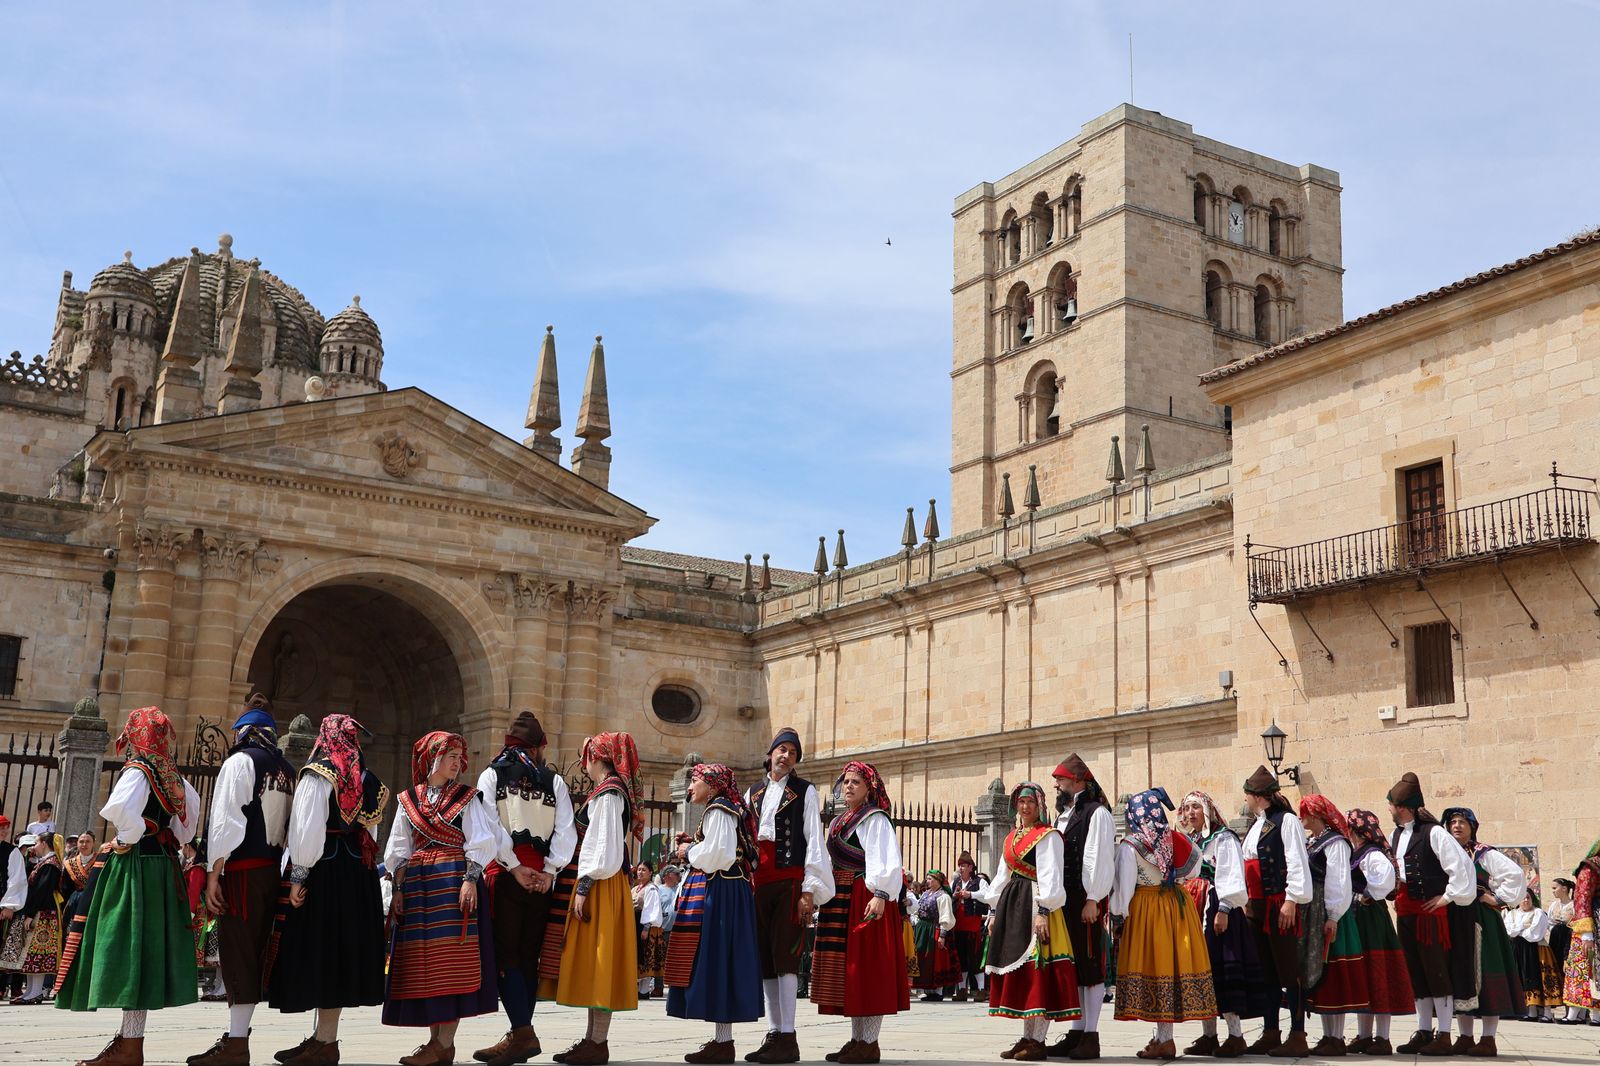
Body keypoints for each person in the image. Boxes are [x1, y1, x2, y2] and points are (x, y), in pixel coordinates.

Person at [56, 706, 203, 1066]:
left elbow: (121, 811)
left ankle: (129, 1045)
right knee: (146, 953)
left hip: (135, 867)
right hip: (164, 868)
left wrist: (126, 838)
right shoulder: (176, 779)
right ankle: (129, 1041)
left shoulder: (138, 771)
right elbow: (187, 830)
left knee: (127, 947)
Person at [266, 713, 391, 1066]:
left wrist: (299, 877)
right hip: (358, 876)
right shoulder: (369, 780)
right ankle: (323, 1039)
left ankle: (325, 1043)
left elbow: (306, 829)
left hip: (324, 872)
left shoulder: (318, 774)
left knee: (321, 952)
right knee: (338, 955)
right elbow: (371, 836)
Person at [188, 696, 295, 1066]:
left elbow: (226, 819)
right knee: (254, 953)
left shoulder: (240, 762)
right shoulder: (287, 768)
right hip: (271, 870)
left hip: (242, 871)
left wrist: (215, 874)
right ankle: (237, 1038)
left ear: (244, 732)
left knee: (238, 952)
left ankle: (236, 1044)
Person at [383, 731, 500, 1066]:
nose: (457, 762)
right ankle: (436, 1044)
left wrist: (469, 880)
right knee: (425, 965)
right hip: (419, 889)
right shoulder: (409, 800)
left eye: (459, 756)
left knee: (452, 960)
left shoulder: (467, 797)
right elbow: (399, 848)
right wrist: (398, 890)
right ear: (431, 758)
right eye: (450, 755)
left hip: (453, 883)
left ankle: (443, 1043)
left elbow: (481, 840)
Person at [472, 710, 575, 1066]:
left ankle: (522, 1032)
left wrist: (514, 867)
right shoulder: (554, 780)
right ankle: (521, 1033)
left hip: (508, 877)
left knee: (506, 955)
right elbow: (566, 831)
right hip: (540, 881)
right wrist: (548, 870)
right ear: (537, 748)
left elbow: (488, 826)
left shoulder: (491, 775)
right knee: (528, 956)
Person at [552, 732, 644, 1066]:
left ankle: (598, 1041)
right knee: (595, 960)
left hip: (602, 883)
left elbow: (604, 847)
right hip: (606, 882)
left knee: (601, 960)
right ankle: (592, 1040)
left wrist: (584, 885)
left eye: (585, 756)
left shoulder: (609, 794)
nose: (582, 763)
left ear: (598, 757)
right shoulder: (609, 792)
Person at [743, 726, 832, 1064]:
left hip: (790, 882)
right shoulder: (752, 792)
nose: (786, 756)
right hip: (759, 884)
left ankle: (789, 1035)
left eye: (793, 753)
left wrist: (809, 890)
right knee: (766, 959)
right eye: (782, 750)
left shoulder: (805, 791)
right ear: (770, 753)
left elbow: (813, 841)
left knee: (786, 956)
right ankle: (773, 1032)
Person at [664, 762, 764, 1064]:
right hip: (726, 889)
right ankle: (723, 1040)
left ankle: (723, 1042)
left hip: (720, 893)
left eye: (696, 780)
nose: (691, 786)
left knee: (719, 958)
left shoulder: (719, 809)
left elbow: (717, 855)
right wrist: (695, 844)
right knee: (722, 961)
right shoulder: (724, 808)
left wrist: (687, 852)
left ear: (714, 784)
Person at [810, 761, 908, 1065]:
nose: (848, 786)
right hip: (841, 898)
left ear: (869, 789)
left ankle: (870, 1041)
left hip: (864, 896)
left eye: (855, 782)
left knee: (867, 968)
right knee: (850, 973)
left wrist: (880, 894)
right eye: (846, 782)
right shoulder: (840, 820)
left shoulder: (874, 818)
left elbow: (886, 859)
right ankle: (857, 1040)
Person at [1109, 787, 1216, 1060]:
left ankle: (1164, 1040)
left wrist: (1119, 915)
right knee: (1172, 967)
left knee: (1156, 969)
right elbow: (1194, 869)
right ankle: (1163, 1038)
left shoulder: (1131, 845)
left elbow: (1123, 889)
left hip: (1147, 910)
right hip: (1179, 909)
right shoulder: (1177, 840)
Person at [975, 782, 1079, 1062]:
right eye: (1020, 801)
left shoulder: (1048, 836)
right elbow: (1000, 877)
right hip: (1014, 907)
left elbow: (1051, 876)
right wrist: (994, 913)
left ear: (1040, 805)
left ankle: (1039, 1040)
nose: (1025, 806)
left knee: (1039, 973)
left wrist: (1043, 912)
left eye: (1030, 801)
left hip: (1037, 906)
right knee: (1024, 975)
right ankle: (1027, 1037)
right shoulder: (1011, 838)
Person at [1175, 790, 1273, 1058]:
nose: (1191, 812)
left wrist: (1225, 909)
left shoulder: (1223, 838)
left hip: (1218, 907)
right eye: (1187, 808)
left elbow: (1231, 875)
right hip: (1197, 909)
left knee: (1223, 971)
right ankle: (1209, 1035)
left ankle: (1236, 1036)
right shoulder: (1192, 840)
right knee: (1204, 972)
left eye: (1196, 807)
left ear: (1206, 810)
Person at [1385, 771, 1476, 1056]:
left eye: (1390, 803)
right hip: (1407, 914)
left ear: (1402, 807)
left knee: (1437, 972)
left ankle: (1445, 1034)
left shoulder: (1435, 833)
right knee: (1417, 974)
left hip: (1430, 917)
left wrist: (1446, 897)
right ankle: (1424, 1030)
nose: (1388, 808)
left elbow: (1461, 868)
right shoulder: (1396, 834)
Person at [1239, 765, 1313, 1056]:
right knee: (1267, 970)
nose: (1245, 799)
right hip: (1256, 906)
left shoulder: (1287, 821)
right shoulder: (1258, 823)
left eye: (1247, 795)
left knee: (1289, 969)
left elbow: (1296, 861)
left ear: (1255, 795)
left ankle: (1297, 1034)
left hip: (1278, 903)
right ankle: (1271, 1031)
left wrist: (1292, 900)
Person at [1046, 754, 1114, 1061]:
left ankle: (1091, 1036)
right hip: (1065, 900)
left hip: (1083, 899)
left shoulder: (1095, 813)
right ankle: (1076, 1032)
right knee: (1073, 967)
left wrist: (1092, 898)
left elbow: (1097, 857)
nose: (1057, 785)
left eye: (1060, 779)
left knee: (1089, 967)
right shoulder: (1065, 813)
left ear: (1077, 780)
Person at [1442, 807, 1526, 1056]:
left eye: (1462, 822)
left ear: (1472, 827)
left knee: (1487, 974)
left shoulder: (1483, 853)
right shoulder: (1444, 855)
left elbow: (1515, 874)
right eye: (1452, 822)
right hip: (1456, 918)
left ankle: (1488, 1039)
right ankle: (1465, 1037)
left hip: (1482, 920)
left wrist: (1498, 898)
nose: (1456, 826)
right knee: (1461, 975)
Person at [1338, 808, 1416, 1054]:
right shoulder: (1357, 853)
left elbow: (1385, 878)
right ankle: (1364, 1035)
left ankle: (1382, 1038)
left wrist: (1366, 896)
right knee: (1365, 975)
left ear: (1354, 830)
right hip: (1360, 919)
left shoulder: (1371, 854)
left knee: (1378, 972)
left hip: (1371, 917)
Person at [1299, 795, 1354, 1055]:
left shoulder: (1336, 843)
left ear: (1317, 815)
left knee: (1331, 969)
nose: (1303, 818)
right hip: (1313, 911)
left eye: (1306, 812)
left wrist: (1333, 915)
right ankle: (1326, 1035)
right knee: (1316, 969)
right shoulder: (1313, 842)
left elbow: (1339, 881)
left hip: (1329, 911)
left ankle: (1337, 1037)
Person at [8, 832, 65, 1003]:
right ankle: (31, 991)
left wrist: (31, 914)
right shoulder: (45, 863)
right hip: (40, 911)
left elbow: (42, 891)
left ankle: (35, 992)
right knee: (31, 953)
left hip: (44, 913)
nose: (34, 846)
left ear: (45, 844)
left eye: (37, 843)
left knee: (39, 953)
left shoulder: (51, 864)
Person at [1504, 892, 1559, 1021]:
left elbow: (1534, 934)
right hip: (1517, 949)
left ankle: (1538, 1011)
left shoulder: (1538, 913)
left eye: (1528, 897)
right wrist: (1523, 926)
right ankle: (1524, 1009)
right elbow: (1509, 930)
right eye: (1523, 898)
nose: (1525, 900)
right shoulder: (1512, 914)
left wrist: (1518, 930)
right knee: (1520, 977)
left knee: (1536, 977)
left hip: (1535, 949)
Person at [1561, 843, 1600, 1025]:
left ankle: (1596, 1016)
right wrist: (1586, 933)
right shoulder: (1591, 866)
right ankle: (1574, 1014)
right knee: (1583, 969)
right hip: (1593, 924)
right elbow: (1582, 897)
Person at [911, 869, 958, 1001]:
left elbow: (946, 916)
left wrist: (942, 934)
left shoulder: (943, 896)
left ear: (938, 881)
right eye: (927, 879)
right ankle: (928, 990)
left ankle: (938, 991)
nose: (928, 881)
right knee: (924, 958)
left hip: (935, 928)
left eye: (931, 879)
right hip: (923, 929)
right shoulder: (925, 893)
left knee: (937, 960)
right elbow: (917, 910)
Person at [950, 851, 990, 1003]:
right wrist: (955, 896)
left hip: (973, 926)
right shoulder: (957, 882)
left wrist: (970, 895)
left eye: (964, 865)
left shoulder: (978, 881)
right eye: (959, 865)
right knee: (961, 958)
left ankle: (980, 990)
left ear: (971, 867)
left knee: (975, 957)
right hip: (959, 925)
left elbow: (987, 894)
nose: (961, 868)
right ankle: (961, 990)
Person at [636, 862, 666, 999]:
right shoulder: (635, 888)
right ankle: (639, 990)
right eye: (639, 870)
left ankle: (643, 991)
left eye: (644, 870)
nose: (640, 872)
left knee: (646, 959)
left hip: (647, 926)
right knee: (639, 957)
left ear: (650, 873)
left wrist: (646, 928)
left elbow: (651, 910)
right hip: (636, 925)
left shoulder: (651, 889)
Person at [64, 832, 95, 916]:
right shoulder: (69, 864)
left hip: (95, 902)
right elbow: (66, 888)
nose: (84, 844)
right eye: (81, 841)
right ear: (77, 843)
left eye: (88, 841)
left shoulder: (101, 860)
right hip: (75, 903)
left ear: (94, 843)